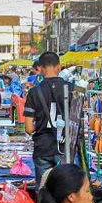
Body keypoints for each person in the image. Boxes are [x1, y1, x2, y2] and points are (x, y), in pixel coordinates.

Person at [25, 51, 71, 185]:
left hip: (42, 146)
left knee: (44, 187)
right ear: (59, 67)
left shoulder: (33, 92)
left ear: (40, 68)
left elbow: (29, 128)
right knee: (65, 187)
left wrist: (40, 124)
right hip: (65, 147)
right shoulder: (72, 89)